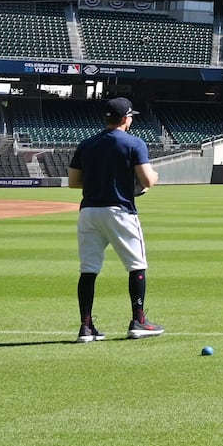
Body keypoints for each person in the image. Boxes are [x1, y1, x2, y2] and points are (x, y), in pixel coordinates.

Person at [67, 97, 163, 342]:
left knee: (88, 270)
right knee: (136, 265)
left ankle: (86, 328)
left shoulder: (86, 144)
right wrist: (154, 176)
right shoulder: (134, 143)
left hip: (88, 211)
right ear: (126, 119)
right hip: (119, 211)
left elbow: (73, 182)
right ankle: (138, 321)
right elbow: (147, 180)